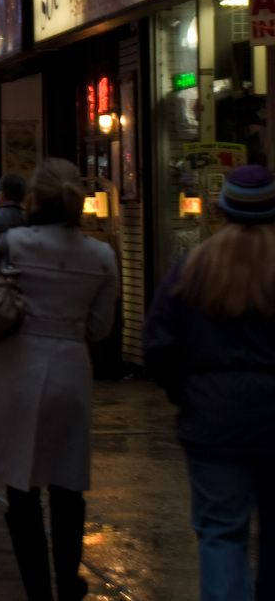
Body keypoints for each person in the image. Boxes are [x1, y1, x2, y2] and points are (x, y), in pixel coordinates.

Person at [0, 159, 119, 601]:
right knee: (68, 485)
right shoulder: (101, 255)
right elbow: (101, 328)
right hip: (71, 372)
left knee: (22, 489)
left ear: (33, 198)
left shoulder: (11, 245)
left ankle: (37, 590)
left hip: (15, 371)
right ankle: (68, 581)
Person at [144, 164, 275, 601]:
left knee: (221, 531)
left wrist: (187, 393)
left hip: (213, 417)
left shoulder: (194, 267)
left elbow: (159, 344)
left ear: (222, 210)